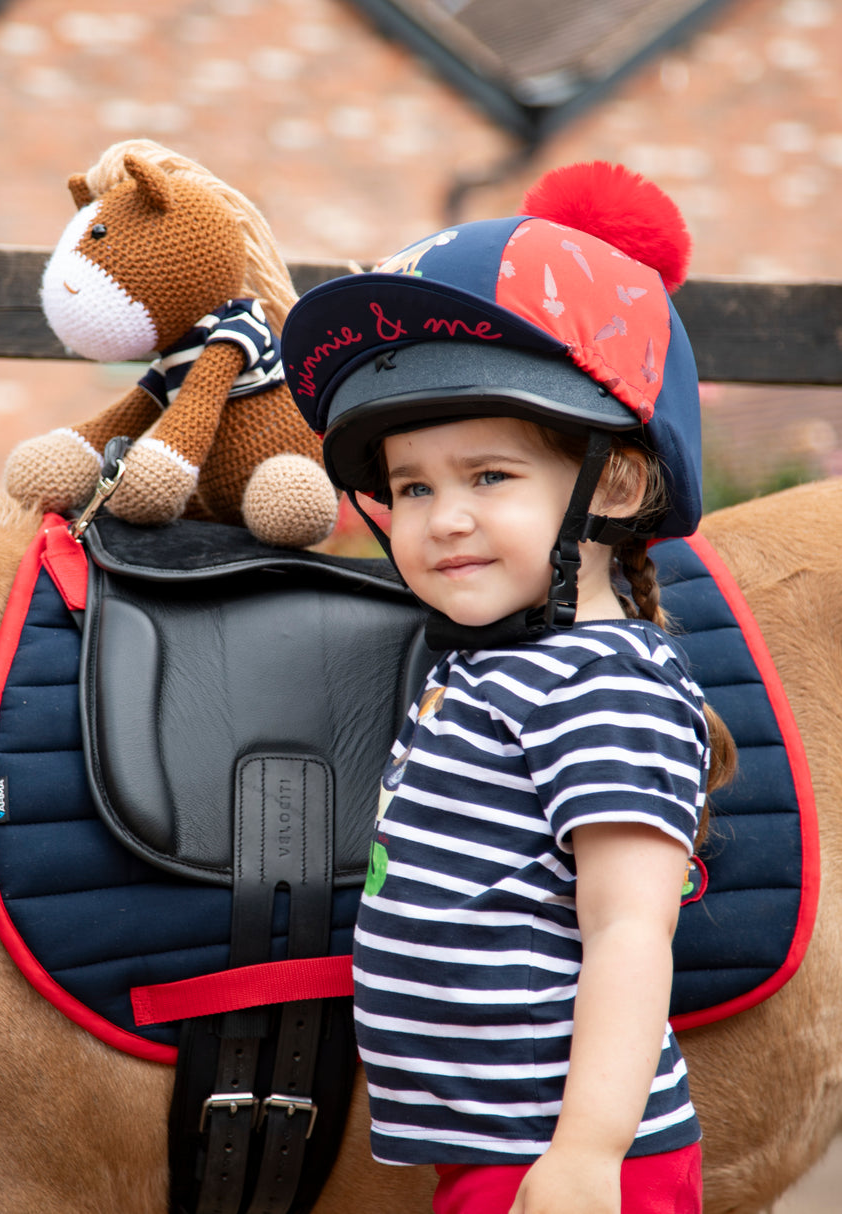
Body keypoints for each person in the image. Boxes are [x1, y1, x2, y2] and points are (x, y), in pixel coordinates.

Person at [280, 162, 736, 1214]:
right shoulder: (495, 662)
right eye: (410, 485)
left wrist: (585, 1151)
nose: (440, 518)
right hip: (489, 1148)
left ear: (610, 484)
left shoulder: (601, 684)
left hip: (564, 1155)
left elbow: (628, 930)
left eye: (488, 476)